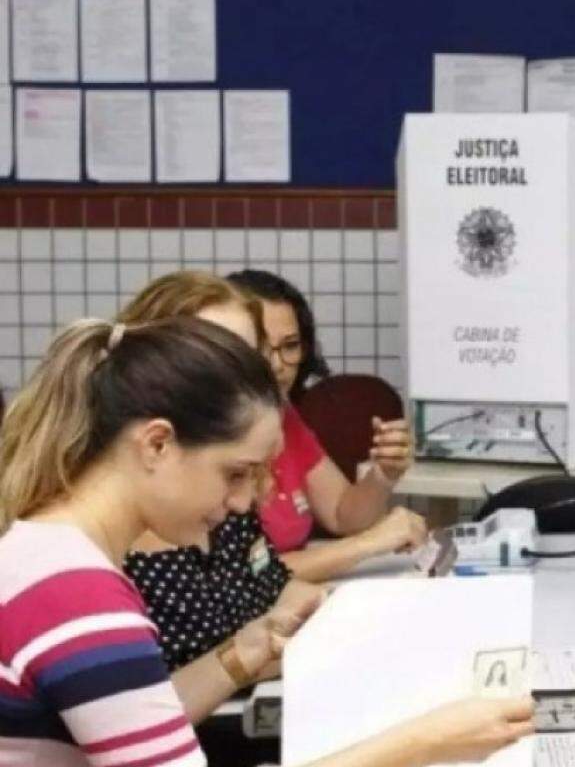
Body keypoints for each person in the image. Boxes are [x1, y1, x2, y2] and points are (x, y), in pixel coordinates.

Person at [0, 317, 534, 766]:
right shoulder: (76, 591)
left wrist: (245, 651)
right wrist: (427, 741)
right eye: (235, 474)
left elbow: (134, 720)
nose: (240, 504)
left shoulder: (45, 552)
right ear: (157, 443)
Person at [117, 271, 323, 671]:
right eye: (216, 359)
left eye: (248, 360)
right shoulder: (102, 530)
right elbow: (154, 698)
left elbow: (274, 590)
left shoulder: (229, 486)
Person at [227, 269, 421, 582]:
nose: (277, 365)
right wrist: (368, 544)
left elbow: (342, 515)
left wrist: (383, 473)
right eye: (260, 347)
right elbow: (244, 579)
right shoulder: (203, 438)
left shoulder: (285, 415)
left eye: (290, 346)